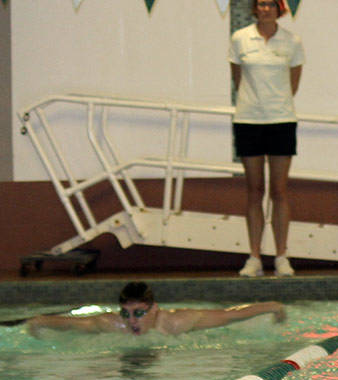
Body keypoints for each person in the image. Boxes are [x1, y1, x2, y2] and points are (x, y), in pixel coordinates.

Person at [229, 0, 305, 278]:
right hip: (248, 121)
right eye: (261, 4)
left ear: (279, 9)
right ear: (255, 8)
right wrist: (256, 104)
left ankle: (282, 256)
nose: (265, 9)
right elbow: (238, 78)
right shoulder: (239, 39)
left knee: (279, 191)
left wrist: (274, 104)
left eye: (271, 4)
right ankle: (254, 257)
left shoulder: (292, 41)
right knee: (254, 191)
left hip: (281, 121)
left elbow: (293, 83)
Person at [25, 281, 285, 337]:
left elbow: (231, 315)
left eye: (139, 313)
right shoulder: (110, 324)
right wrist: (39, 321)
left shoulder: (178, 322)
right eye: (126, 314)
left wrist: (272, 307)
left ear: (155, 309)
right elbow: (69, 323)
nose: (131, 321)